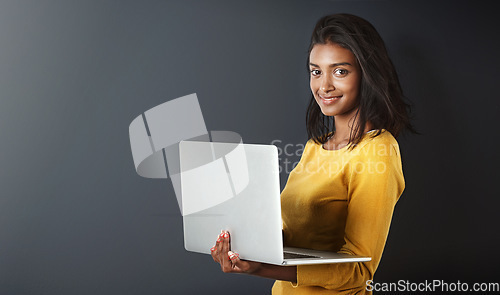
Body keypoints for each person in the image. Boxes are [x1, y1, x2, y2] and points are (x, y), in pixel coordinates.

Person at [210, 13, 415, 294]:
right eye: (316, 71)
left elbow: (359, 271)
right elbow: (294, 236)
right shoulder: (315, 146)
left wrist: (261, 268)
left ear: (367, 75)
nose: (324, 86)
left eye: (340, 71)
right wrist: (243, 244)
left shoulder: (378, 150)